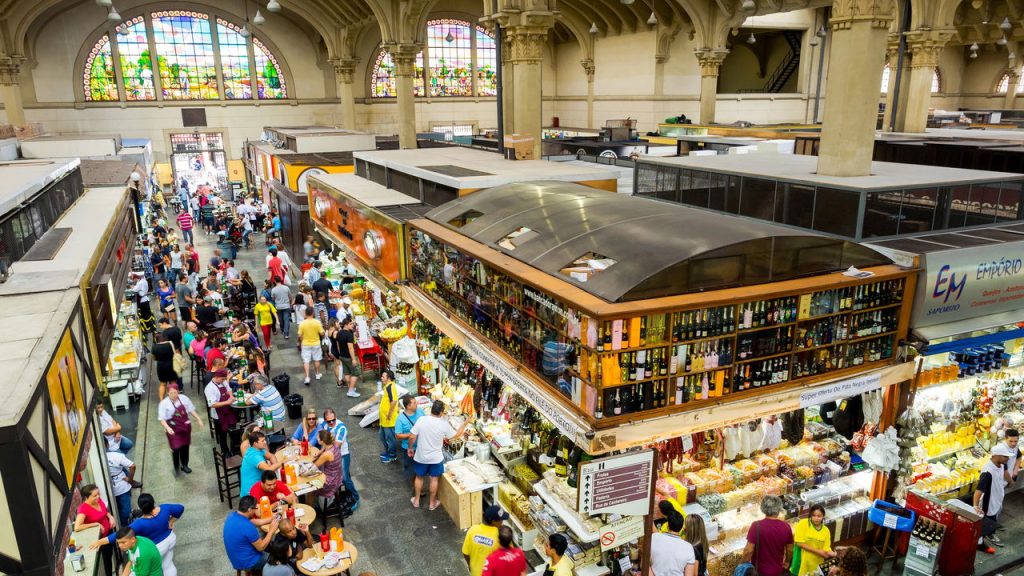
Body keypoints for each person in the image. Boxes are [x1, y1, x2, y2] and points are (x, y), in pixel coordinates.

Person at [93, 494, 183, 576]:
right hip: (171, 540)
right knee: (167, 565)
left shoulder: (140, 523)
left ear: (140, 508)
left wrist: (100, 541)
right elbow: (180, 508)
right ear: (153, 502)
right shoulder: (165, 508)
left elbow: (121, 534)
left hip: (157, 548)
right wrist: (171, 520)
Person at [408, 400, 471, 510]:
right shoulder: (444, 424)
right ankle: (432, 504)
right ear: (441, 412)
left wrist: (410, 448)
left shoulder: (421, 420)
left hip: (421, 455)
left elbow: (412, 437)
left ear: (432, 409)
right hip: (436, 458)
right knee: (434, 479)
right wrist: (465, 423)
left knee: (419, 477)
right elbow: (456, 435)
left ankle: (416, 501)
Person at [315, 408, 359, 506]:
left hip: (342, 454)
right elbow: (325, 441)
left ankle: (356, 498)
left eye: (333, 420)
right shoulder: (324, 423)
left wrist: (323, 452)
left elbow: (336, 445)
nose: (331, 422)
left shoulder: (341, 428)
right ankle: (341, 494)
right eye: (328, 421)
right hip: (331, 452)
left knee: (345, 478)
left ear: (336, 417)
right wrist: (320, 451)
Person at [157, 384, 205, 475]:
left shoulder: (184, 398)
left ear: (178, 391)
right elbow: (162, 419)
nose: (174, 395)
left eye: (175, 392)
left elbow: (191, 410)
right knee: (175, 448)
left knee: (185, 446)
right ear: (167, 393)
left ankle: (185, 465)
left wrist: (199, 419)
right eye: (171, 393)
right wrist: (167, 427)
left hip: (185, 427)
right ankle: (176, 466)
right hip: (173, 429)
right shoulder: (164, 403)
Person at [224, 496, 278, 573]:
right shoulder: (247, 527)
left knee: (267, 544)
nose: (257, 510)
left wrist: (270, 519)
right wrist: (271, 531)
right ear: (249, 510)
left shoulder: (232, 516)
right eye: (256, 508)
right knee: (277, 558)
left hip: (236, 558)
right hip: (249, 563)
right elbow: (261, 547)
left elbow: (252, 522)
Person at [975, 443, 1012, 553]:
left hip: (997, 499)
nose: (1007, 459)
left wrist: (1010, 481)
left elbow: (1004, 473)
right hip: (988, 504)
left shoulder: (1001, 464)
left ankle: (986, 536)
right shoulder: (987, 472)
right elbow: (978, 492)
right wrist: (975, 506)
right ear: (996, 456)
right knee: (984, 524)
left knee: (992, 520)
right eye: (1005, 456)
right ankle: (980, 543)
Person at [743, 495, 793, 576]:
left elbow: (748, 551)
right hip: (777, 570)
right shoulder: (786, 526)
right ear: (779, 509)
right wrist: (787, 561)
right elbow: (790, 549)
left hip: (759, 571)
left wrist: (742, 564)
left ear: (763, 509)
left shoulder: (756, 526)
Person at [75, 484, 116, 575]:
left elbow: (105, 510)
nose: (98, 497)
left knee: (110, 555)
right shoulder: (83, 509)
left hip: (109, 532)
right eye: (94, 496)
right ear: (86, 497)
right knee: (106, 562)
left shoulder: (98, 500)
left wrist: (110, 517)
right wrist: (96, 524)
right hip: (100, 539)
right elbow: (77, 527)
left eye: (98, 494)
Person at [463, 506, 507, 576]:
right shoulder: (501, 536)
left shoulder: (472, 530)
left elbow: (466, 553)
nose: (502, 522)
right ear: (494, 521)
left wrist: (470, 566)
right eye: (501, 520)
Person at [792, 504, 835, 576]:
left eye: (819, 516)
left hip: (816, 564)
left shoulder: (826, 530)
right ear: (810, 515)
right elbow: (799, 543)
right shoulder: (803, 523)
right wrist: (818, 552)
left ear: (823, 516)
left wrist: (833, 553)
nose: (816, 518)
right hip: (801, 562)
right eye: (814, 515)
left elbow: (826, 548)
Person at [205, 369, 240, 454]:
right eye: (222, 379)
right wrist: (227, 402)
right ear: (216, 377)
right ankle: (226, 453)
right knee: (222, 435)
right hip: (218, 415)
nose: (224, 381)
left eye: (224, 379)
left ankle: (235, 451)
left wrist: (231, 396)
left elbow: (228, 389)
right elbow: (212, 404)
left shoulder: (222, 382)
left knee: (234, 432)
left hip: (228, 411)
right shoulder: (209, 388)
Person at [650, 512, 696, 576]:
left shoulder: (654, 537)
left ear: (668, 525)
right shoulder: (689, 547)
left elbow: (644, 564)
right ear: (681, 527)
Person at [240, 431, 284, 496]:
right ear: (255, 443)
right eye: (262, 441)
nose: (265, 442)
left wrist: (276, 466)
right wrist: (283, 462)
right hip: (251, 492)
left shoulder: (258, 449)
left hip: (260, 484)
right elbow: (269, 469)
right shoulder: (254, 456)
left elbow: (271, 456)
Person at [106, 445, 139, 527]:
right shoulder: (116, 456)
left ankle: (123, 525)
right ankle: (126, 526)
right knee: (125, 509)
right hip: (121, 486)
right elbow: (132, 466)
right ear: (107, 445)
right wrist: (130, 480)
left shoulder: (95, 459)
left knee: (118, 508)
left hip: (110, 488)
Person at [395, 396, 425, 483]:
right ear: (408, 406)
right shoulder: (400, 419)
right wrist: (412, 434)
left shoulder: (420, 411)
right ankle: (415, 485)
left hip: (421, 446)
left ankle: (417, 483)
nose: (417, 404)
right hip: (409, 448)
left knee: (420, 467)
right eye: (414, 403)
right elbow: (398, 435)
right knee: (411, 468)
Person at [313, 429, 345, 504]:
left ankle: (313, 509)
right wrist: (319, 452)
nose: (316, 439)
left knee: (310, 488)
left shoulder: (327, 454)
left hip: (330, 481)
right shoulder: (333, 444)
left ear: (322, 441)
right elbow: (324, 447)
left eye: (318, 438)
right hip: (338, 477)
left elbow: (313, 467)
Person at [297, 308, 325, 385]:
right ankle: (318, 374)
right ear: (313, 313)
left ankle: (307, 378)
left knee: (306, 361)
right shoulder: (317, 322)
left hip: (305, 344)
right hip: (316, 343)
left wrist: (301, 341)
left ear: (305, 313)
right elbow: (322, 333)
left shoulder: (302, 323)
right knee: (317, 359)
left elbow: (299, 335)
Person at [378, 369, 400, 463]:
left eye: (383, 377)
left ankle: (392, 455)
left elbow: (394, 401)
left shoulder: (391, 386)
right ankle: (388, 451)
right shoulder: (387, 386)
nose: (381, 378)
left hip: (389, 420)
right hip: (384, 420)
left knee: (390, 438)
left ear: (389, 378)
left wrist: (389, 414)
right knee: (382, 436)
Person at [150, 333, 178, 401]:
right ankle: (175, 399)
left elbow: (154, 358)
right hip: (172, 365)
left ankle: (162, 401)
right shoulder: (171, 344)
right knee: (173, 383)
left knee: (163, 384)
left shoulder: (154, 347)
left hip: (161, 366)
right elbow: (176, 352)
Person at [336, 317, 360, 397]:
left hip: (342, 356)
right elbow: (350, 348)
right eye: (350, 324)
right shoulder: (349, 335)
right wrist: (353, 359)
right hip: (348, 357)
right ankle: (350, 390)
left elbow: (338, 345)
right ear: (346, 325)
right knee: (356, 372)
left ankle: (351, 388)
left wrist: (340, 354)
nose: (352, 325)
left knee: (346, 372)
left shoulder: (339, 333)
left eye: (352, 323)